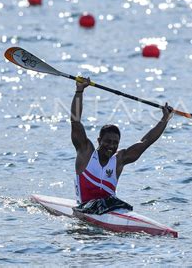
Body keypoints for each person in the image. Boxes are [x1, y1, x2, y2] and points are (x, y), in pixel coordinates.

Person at [70, 77, 173, 212]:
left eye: (115, 143)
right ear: (99, 141)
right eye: (107, 141)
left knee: (116, 204)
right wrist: (79, 91)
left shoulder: (119, 160)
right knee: (102, 204)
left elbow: (145, 142)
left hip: (110, 208)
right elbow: (75, 122)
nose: (111, 146)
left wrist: (164, 120)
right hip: (85, 208)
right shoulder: (86, 152)